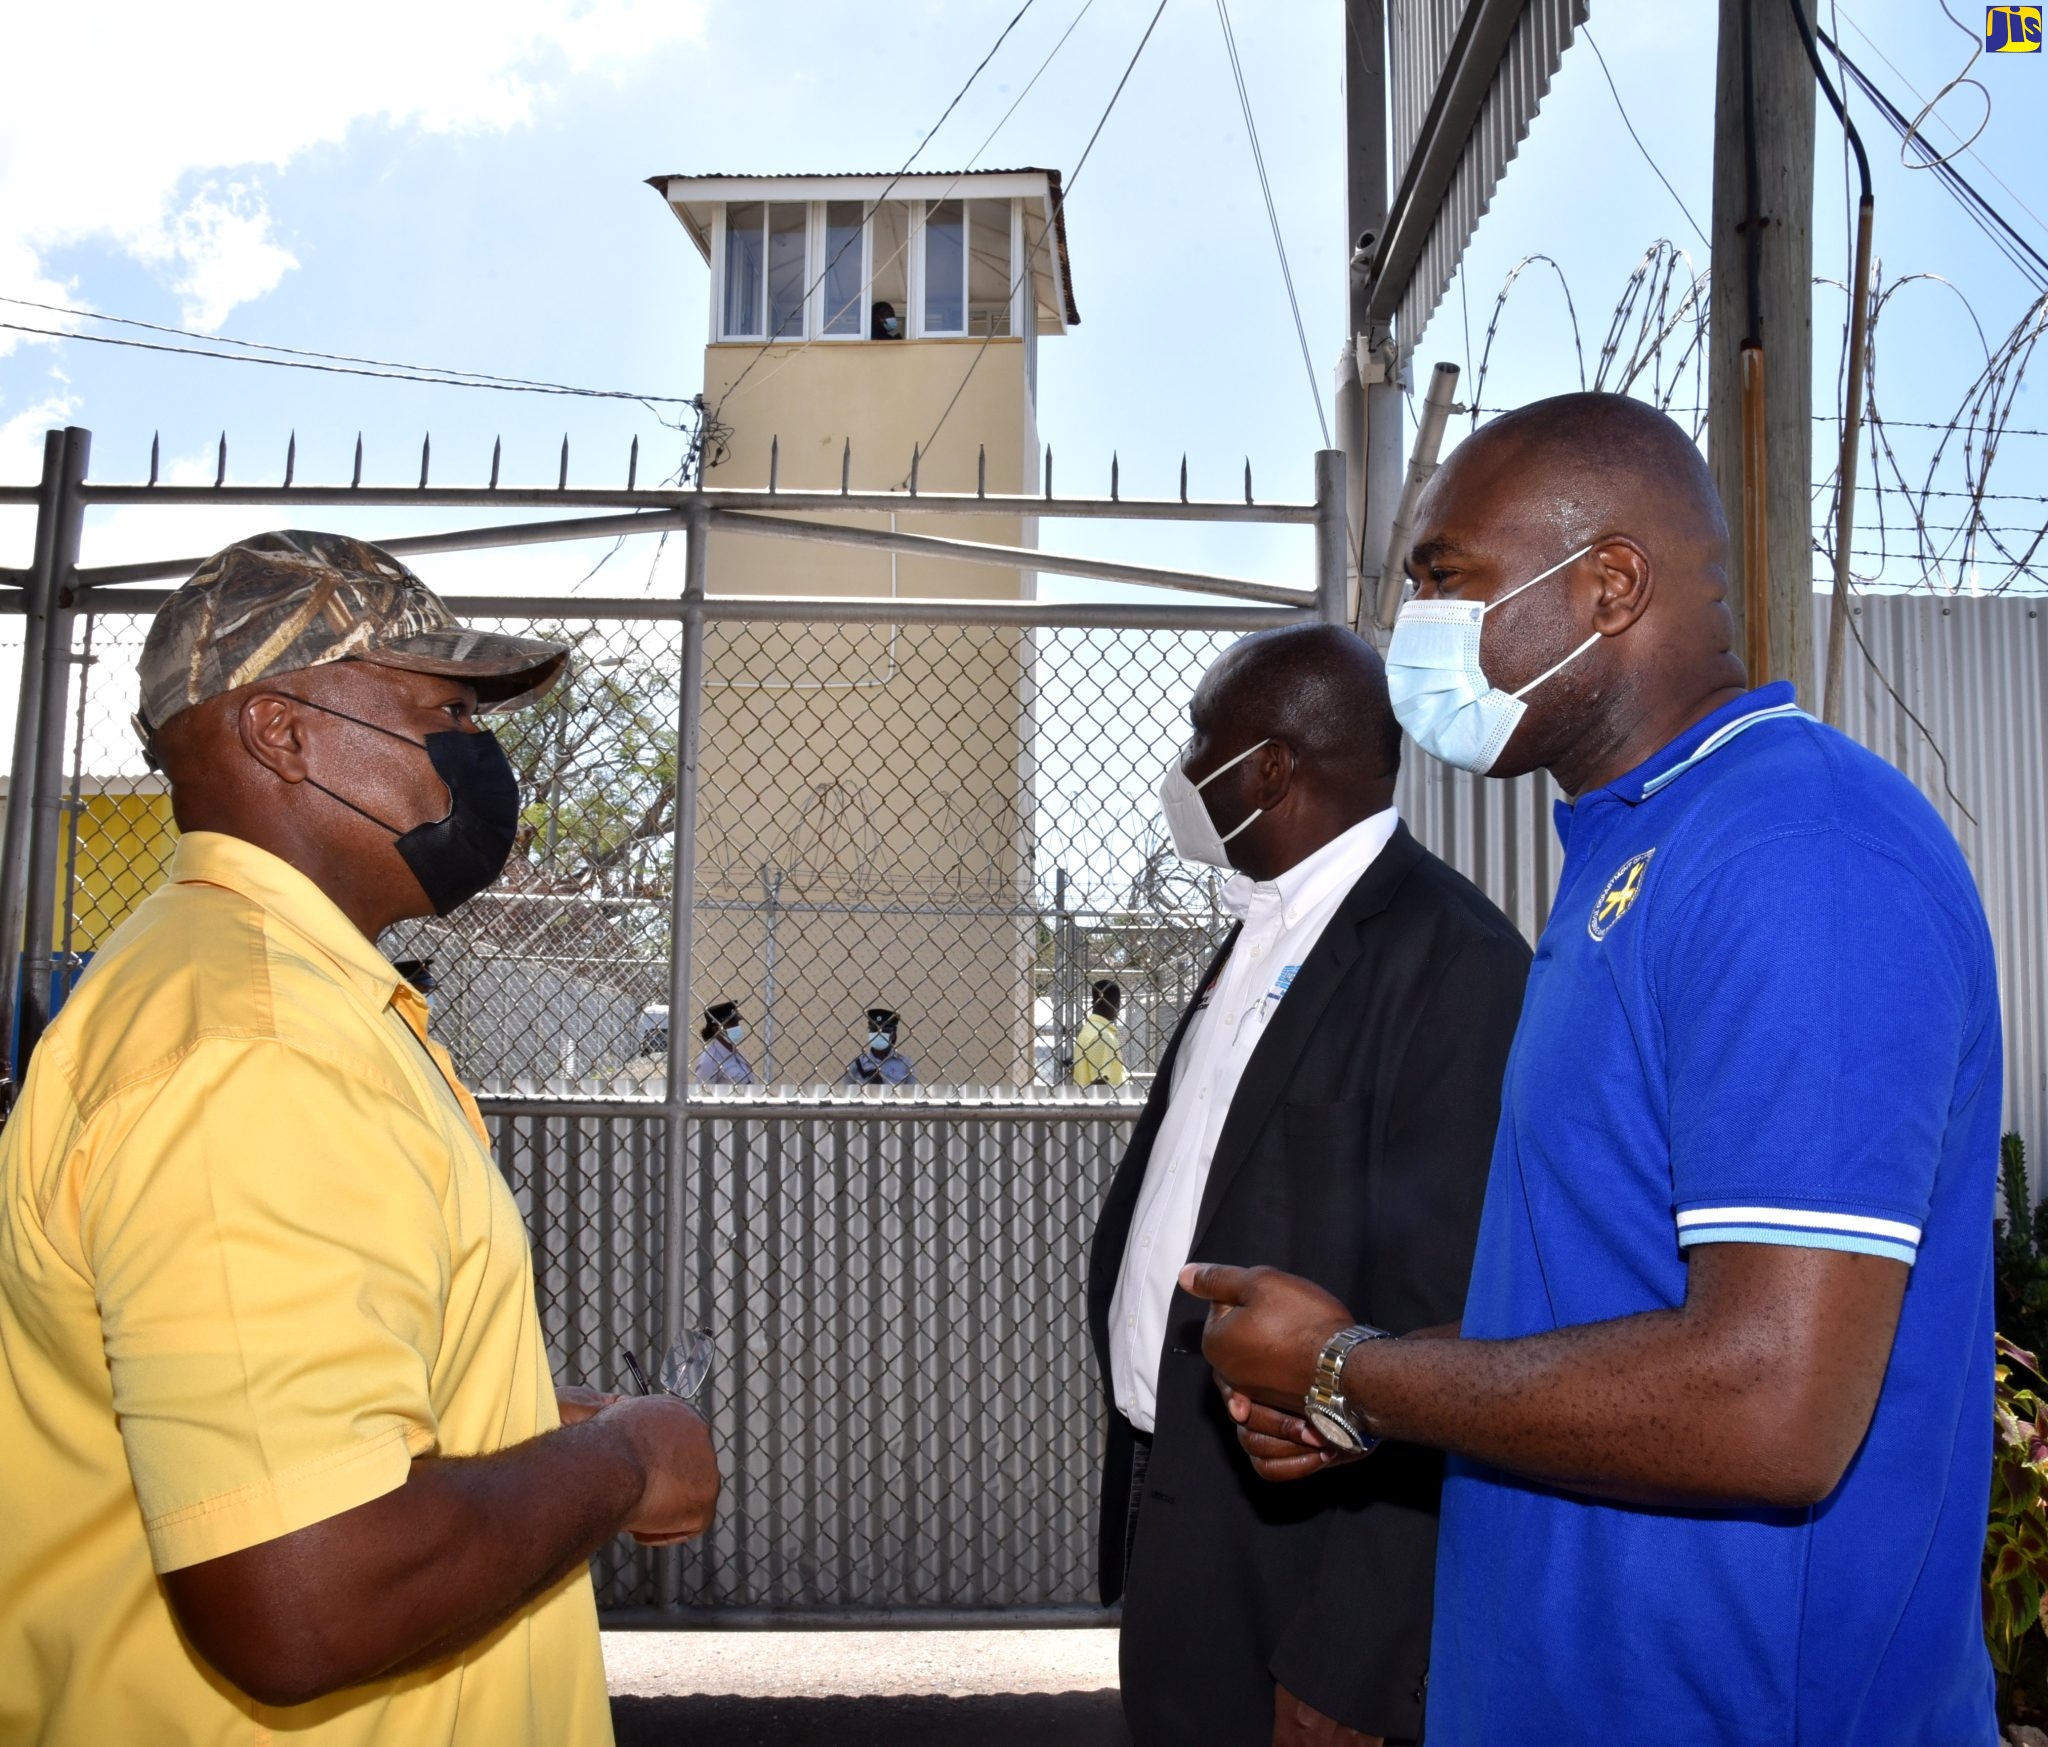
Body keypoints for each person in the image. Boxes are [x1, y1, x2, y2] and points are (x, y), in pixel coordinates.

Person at [1185, 394, 2003, 1746]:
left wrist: (1349, 1367)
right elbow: (1600, 1306)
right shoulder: (1633, 850)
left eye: (1449, 578)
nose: (1418, 632)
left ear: (1611, 583)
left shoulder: (1799, 854)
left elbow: (1770, 1400)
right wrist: (1369, 1378)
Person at [0, 531, 720, 1744]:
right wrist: (623, 1463)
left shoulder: (251, 992)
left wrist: (519, 1428)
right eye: (442, 709)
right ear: (281, 732)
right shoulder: (255, 1045)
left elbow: (268, 1412)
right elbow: (308, 1594)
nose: (478, 754)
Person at [1089, 624, 1531, 1747]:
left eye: (1202, 737)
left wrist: (1355, 1656)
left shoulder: (1452, 959)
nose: (1185, 765)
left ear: (1270, 768)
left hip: (1303, 1567)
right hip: (1186, 1509)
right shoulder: (1264, 924)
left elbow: (1452, 1328)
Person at [1073, 979, 1129, 1089]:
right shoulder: (1103, 1036)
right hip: (1110, 1102)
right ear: (1116, 1004)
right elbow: (1100, 1084)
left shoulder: (1089, 1029)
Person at [844, 1005, 917, 1086]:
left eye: (884, 1031)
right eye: (874, 1030)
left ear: (893, 1035)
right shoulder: (857, 1064)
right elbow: (845, 1091)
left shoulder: (905, 1065)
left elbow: (911, 1094)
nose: (878, 1034)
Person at [694, 999, 756, 1085]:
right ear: (715, 1029)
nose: (736, 1027)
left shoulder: (735, 1053)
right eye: (731, 1024)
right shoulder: (709, 1060)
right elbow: (701, 1094)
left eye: (737, 1023)